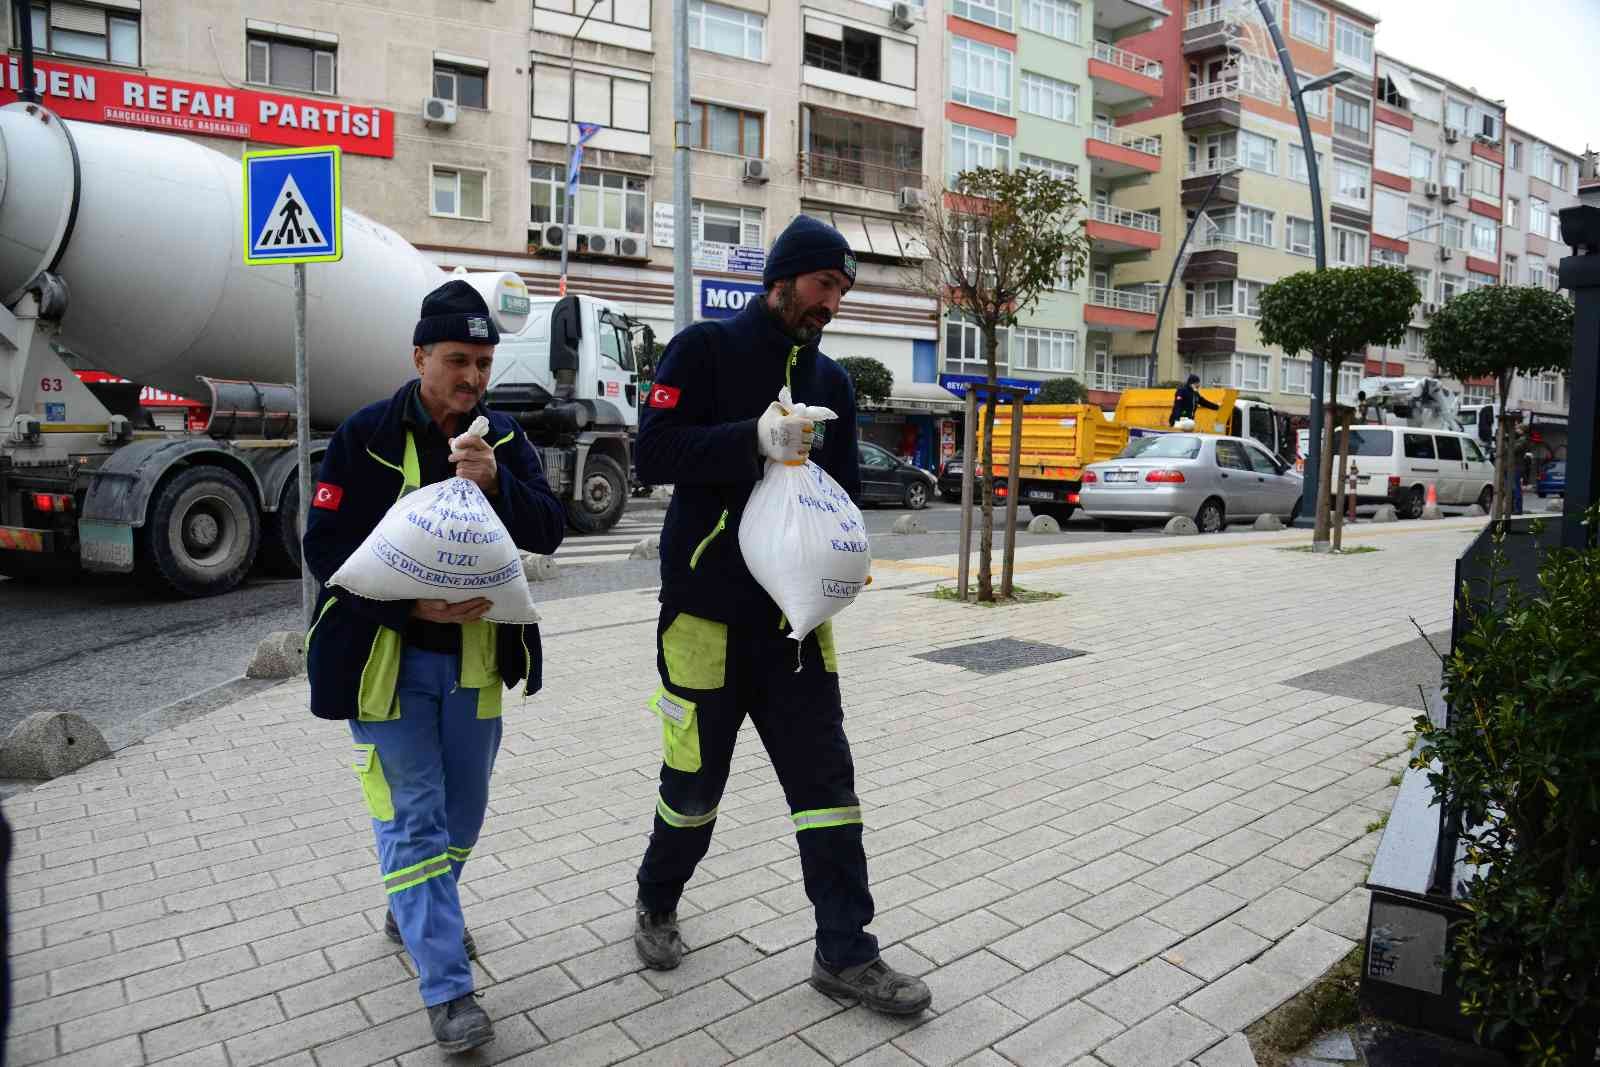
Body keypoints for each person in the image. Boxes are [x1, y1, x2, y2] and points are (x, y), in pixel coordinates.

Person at [629, 215, 932, 1016]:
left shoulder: (831, 382)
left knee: (828, 787)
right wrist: (753, 440)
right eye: (823, 285)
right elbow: (652, 451)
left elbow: (840, 499)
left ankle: (845, 953)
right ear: (783, 279)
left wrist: (844, 565)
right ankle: (657, 896)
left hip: (796, 632)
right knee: (693, 788)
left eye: (841, 290)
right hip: (702, 621)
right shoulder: (703, 350)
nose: (831, 302)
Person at [303, 280, 565, 1055]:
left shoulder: (503, 437)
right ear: (420, 355)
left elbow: (549, 530)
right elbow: (323, 549)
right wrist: (408, 607)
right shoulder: (364, 434)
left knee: (462, 818)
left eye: (484, 362)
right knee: (414, 820)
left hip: (477, 667)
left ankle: (413, 906)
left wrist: (495, 481)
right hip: (386, 667)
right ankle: (449, 990)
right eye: (458, 360)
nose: (473, 378)